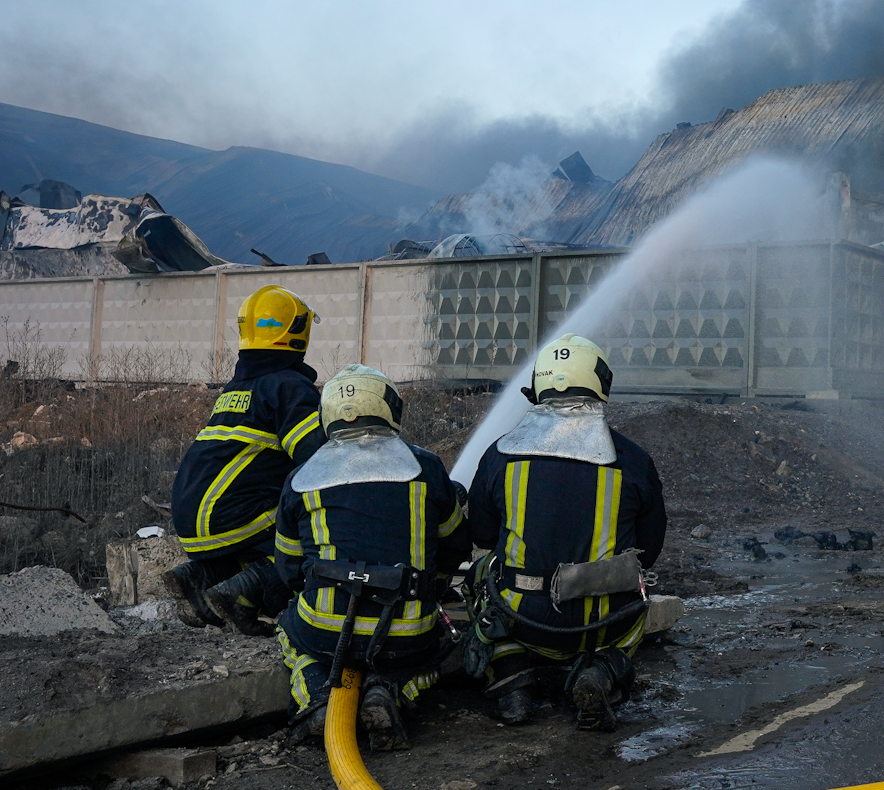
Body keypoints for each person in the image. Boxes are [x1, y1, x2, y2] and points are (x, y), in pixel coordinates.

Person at [464, 335, 667, 730]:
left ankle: (510, 675)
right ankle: (602, 672)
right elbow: (650, 550)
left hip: (524, 619)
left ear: (539, 384)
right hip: (604, 622)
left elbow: (483, 535)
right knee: (638, 590)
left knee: (480, 574)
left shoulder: (500, 454)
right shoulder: (633, 460)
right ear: (600, 384)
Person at [274, 364, 469, 747]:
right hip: (404, 634)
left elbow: (288, 569)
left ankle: (315, 696)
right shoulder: (426, 467)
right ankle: (390, 689)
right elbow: (457, 548)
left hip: (326, 630)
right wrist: (434, 582)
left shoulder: (301, 477)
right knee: (434, 652)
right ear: (389, 409)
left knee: (288, 630)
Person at [166, 285, 325, 634]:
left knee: (255, 537)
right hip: (230, 513)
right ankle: (245, 594)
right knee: (312, 535)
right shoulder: (289, 388)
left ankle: (200, 580)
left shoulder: (238, 388)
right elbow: (318, 461)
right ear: (298, 331)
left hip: (193, 515)